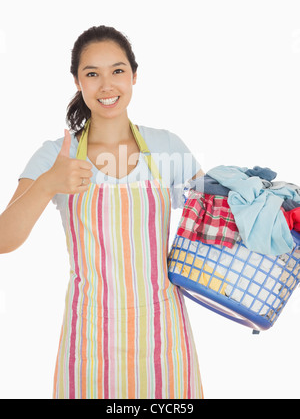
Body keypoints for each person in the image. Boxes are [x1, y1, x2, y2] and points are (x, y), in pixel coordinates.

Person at [0, 25, 204, 399]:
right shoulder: (56, 154)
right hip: (90, 336)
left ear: (134, 75)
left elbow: (211, 220)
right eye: (92, 74)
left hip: (163, 333)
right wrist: (48, 182)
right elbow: (3, 239)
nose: (106, 85)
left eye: (117, 70)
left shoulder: (167, 146)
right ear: (78, 81)